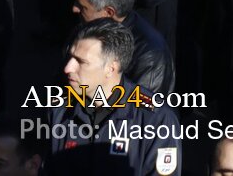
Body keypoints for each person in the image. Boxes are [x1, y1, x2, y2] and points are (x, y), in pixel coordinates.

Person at [45, 19, 182, 175]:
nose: (68, 68)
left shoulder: (156, 120)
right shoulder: (60, 109)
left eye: (81, 62)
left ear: (111, 68)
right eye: (70, 57)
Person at [69, 0, 175, 96]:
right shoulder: (86, 28)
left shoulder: (149, 56)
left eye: (82, 6)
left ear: (109, 12)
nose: (74, 9)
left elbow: (140, 106)